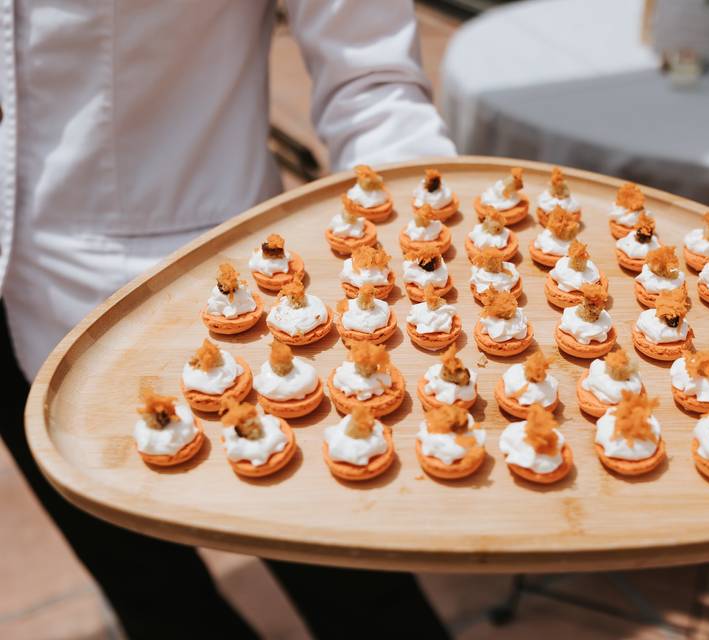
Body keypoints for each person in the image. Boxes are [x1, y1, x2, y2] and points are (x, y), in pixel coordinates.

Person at [0, 1, 455, 638]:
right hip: (9, 294)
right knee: (147, 590)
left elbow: (371, 83)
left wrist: (421, 263)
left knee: (355, 591)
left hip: (200, 297)